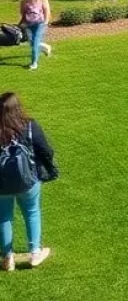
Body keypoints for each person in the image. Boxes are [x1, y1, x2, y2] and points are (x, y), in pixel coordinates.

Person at [0, 92, 57, 270]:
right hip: (28, 180)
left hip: (1, 183)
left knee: (4, 217)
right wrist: (49, 170)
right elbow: (46, 150)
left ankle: (7, 258)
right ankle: (34, 253)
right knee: (32, 212)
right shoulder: (29, 126)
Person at [18, 0, 52, 72]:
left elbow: (46, 11)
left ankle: (34, 63)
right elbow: (23, 14)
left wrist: (46, 22)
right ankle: (46, 47)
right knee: (32, 43)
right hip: (29, 25)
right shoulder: (24, 1)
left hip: (39, 24)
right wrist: (20, 24)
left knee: (34, 45)